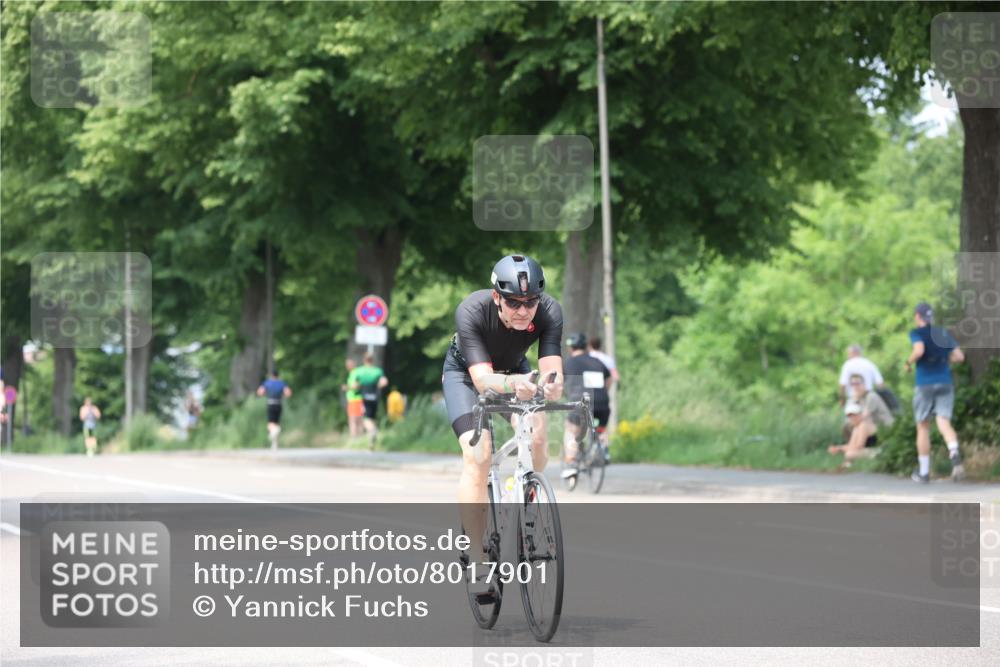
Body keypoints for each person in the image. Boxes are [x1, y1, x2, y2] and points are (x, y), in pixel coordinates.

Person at [442, 254, 563, 590]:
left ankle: (523, 492)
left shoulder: (550, 311)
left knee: (538, 436)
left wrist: (551, 384)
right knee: (478, 456)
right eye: (513, 303)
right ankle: (478, 559)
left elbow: (552, 367)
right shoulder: (472, 310)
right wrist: (515, 385)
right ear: (497, 297)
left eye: (530, 302)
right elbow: (483, 381)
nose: (523, 311)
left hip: (515, 371)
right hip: (466, 377)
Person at [906, 302, 965, 483]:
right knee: (943, 421)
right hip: (945, 382)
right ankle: (953, 451)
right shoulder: (941, 333)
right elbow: (960, 357)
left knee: (923, 425)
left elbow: (919, 350)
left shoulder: (917, 333)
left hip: (925, 384)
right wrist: (944, 360)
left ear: (917, 316)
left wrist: (908, 363)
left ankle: (924, 473)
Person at [561, 332, 610, 479]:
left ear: (570, 348)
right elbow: (609, 379)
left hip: (581, 403)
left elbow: (561, 384)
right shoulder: (598, 362)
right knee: (600, 428)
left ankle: (571, 463)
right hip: (602, 404)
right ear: (585, 346)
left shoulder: (569, 363)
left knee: (572, 430)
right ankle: (603, 448)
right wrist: (602, 393)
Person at [827, 374, 894, 463]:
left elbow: (862, 417)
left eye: (857, 383)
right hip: (871, 429)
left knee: (860, 425)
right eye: (852, 384)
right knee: (852, 428)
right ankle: (856, 454)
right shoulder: (860, 399)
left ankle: (877, 452)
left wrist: (840, 448)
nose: (855, 386)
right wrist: (854, 400)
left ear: (864, 384)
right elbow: (852, 416)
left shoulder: (871, 396)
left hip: (885, 428)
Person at [349, 353, 389, 449]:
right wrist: (378, 386)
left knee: (366, 419)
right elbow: (384, 382)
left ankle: (372, 431)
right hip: (375, 396)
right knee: (372, 417)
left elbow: (354, 385)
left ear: (364, 360)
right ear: (373, 360)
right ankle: (372, 442)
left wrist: (354, 388)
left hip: (364, 396)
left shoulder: (359, 371)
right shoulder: (378, 371)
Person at [256, 370, 291, 450]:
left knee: (271, 423)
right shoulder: (282, 383)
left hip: (270, 403)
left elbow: (260, 392)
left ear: (271, 375)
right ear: (278, 376)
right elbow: (288, 393)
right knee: (277, 422)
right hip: (279, 404)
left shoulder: (267, 383)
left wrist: (265, 394)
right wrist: (283, 396)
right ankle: (275, 444)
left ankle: (274, 434)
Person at [341, 358, 363, 437]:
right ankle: (356, 437)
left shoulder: (356, 373)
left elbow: (357, 385)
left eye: (349, 364)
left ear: (353, 364)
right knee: (354, 419)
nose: (347, 366)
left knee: (355, 419)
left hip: (356, 399)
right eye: (346, 365)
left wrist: (347, 388)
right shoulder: (351, 373)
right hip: (352, 400)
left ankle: (355, 438)